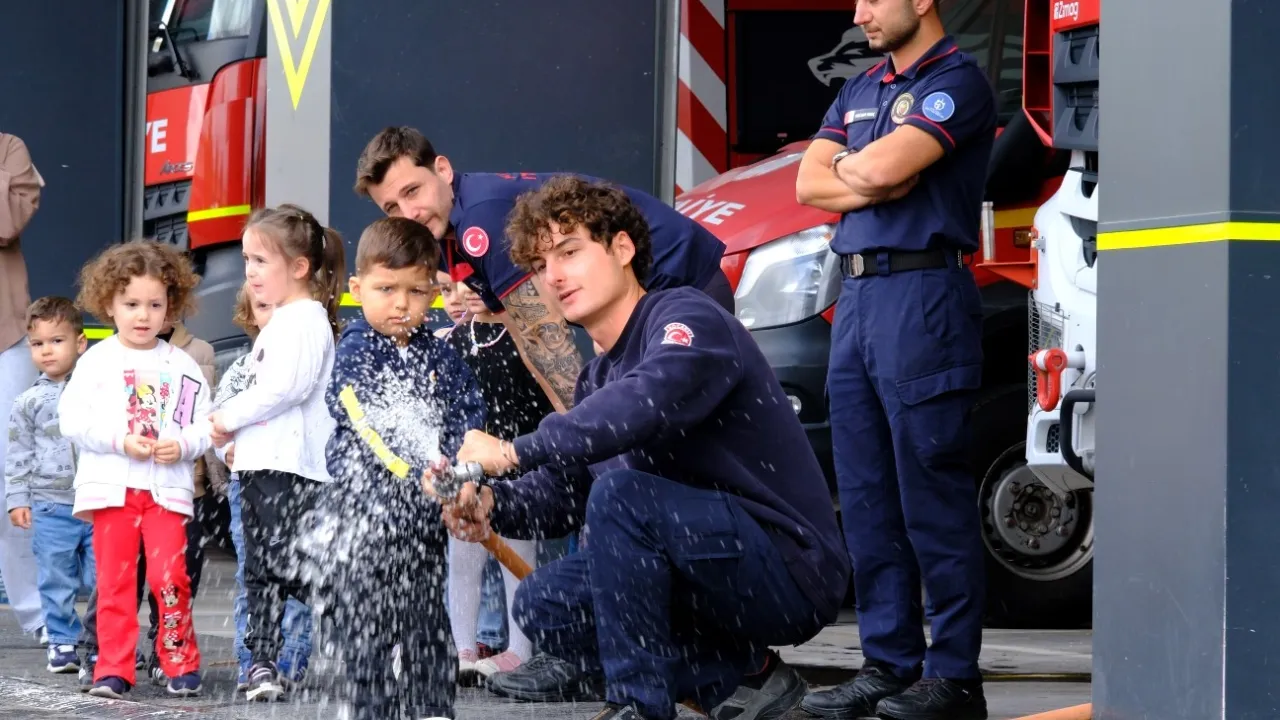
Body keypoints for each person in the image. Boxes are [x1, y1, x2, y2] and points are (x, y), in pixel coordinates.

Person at [428, 176, 850, 720]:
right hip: (703, 567)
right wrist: (491, 504)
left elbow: (644, 403)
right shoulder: (595, 380)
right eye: (539, 265)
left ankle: (638, 706)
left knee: (624, 497)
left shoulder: (687, 316)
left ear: (623, 248)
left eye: (569, 252)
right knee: (545, 603)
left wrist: (511, 451)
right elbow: (563, 495)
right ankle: (744, 674)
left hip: (788, 569)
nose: (553, 276)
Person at [792, 2, 997, 719]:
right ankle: (888, 665)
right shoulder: (861, 86)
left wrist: (861, 172)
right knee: (867, 496)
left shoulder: (957, 82)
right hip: (856, 299)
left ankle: (954, 678)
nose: (860, 13)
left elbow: (879, 168)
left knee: (930, 492)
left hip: (922, 294)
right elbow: (806, 184)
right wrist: (870, 177)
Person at [354, 126, 732, 416]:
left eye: (413, 191)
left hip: (681, 281)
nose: (409, 214)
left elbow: (546, 339)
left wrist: (582, 438)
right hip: (649, 299)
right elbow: (523, 331)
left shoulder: (478, 221)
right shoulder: (440, 231)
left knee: (676, 435)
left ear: (443, 170)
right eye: (391, 207)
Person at [315, 215, 485, 720]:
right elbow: (367, 424)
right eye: (386, 289)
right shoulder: (355, 350)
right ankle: (372, 709)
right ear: (357, 288)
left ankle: (432, 707)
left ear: (433, 292)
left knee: (426, 618)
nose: (401, 304)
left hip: (421, 521)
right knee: (366, 626)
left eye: (415, 291)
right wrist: (415, 472)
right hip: (363, 518)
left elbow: (467, 413)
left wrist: (459, 466)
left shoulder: (440, 354)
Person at [58, 240, 210, 699]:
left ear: (171, 306)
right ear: (109, 304)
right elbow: (72, 421)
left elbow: (204, 424)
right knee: (115, 584)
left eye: (155, 305)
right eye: (131, 304)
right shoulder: (95, 362)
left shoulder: (183, 366)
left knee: (170, 579)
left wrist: (182, 445)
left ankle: (179, 662)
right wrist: (119, 441)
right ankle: (113, 668)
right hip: (112, 490)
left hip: (166, 493)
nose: (143, 315)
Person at [208, 203, 344, 702]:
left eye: (261, 261)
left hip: (288, 470)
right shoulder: (283, 321)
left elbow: (285, 388)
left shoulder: (304, 320)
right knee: (263, 571)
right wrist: (228, 438)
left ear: (300, 267)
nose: (250, 271)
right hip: (263, 465)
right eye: (247, 260)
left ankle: (366, 621)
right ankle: (261, 661)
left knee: (287, 569)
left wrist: (228, 418)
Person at [445, 283, 554, 682]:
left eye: (480, 281)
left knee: (516, 557)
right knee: (463, 559)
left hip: (516, 464)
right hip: (467, 467)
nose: (467, 291)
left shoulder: (526, 335)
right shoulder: (456, 338)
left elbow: (544, 401)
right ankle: (464, 647)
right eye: (461, 281)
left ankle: (520, 649)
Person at [215, 282, 314, 692]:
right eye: (263, 307)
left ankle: (293, 657)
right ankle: (253, 659)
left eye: (283, 306)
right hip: (251, 484)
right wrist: (226, 452)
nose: (274, 316)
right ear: (249, 315)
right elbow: (220, 421)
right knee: (253, 573)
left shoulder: (309, 361)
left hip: (299, 482)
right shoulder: (242, 370)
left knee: (300, 568)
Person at [5, 296, 91, 674]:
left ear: (80, 343)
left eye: (57, 341)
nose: (47, 350)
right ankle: (62, 640)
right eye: (38, 343)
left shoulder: (95, 390)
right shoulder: (27, 401)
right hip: (50, 504)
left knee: (103, 577)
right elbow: (18, 454)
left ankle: (103, 639)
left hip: (96, 498)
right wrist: (17, 498)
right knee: (56, 575)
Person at [0, 130, 47, 643]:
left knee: (14, 476)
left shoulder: (8, 149)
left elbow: (6, 224)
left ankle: (38, 613)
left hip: (6, 335)